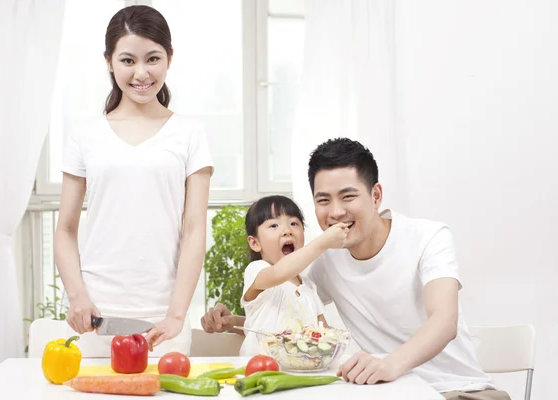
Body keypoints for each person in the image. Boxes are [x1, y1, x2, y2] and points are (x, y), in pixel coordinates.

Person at [201, 138, 510, 400]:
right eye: (324, 200)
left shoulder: (428, 237)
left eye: (348, 196)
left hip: (460, 391)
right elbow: (291, 313)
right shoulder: (326, 259)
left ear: (375, 195)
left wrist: (389, 364)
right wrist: (235, 321)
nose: (336, 212)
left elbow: (444, 321)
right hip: (390, 391)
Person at [55, 5, 213, 356]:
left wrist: (175, 316)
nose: (141, 73)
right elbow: (65, 229)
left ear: (170, 58)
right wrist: (78, 297)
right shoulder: (85, 136)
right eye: (128, 60)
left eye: (152, 58)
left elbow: (194, 231)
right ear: (109, 61)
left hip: (164, 321)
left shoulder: (190, 134)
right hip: (95, 315)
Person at [238, 195, 349, 355]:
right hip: (261, 369)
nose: (287, 231)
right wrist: (322, 243)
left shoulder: (309, 287)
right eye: (274, 225)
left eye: (294, 223)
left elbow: (323, 332)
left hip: (301, 369)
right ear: (255, 243)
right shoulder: (257, 270)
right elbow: (278, 274)